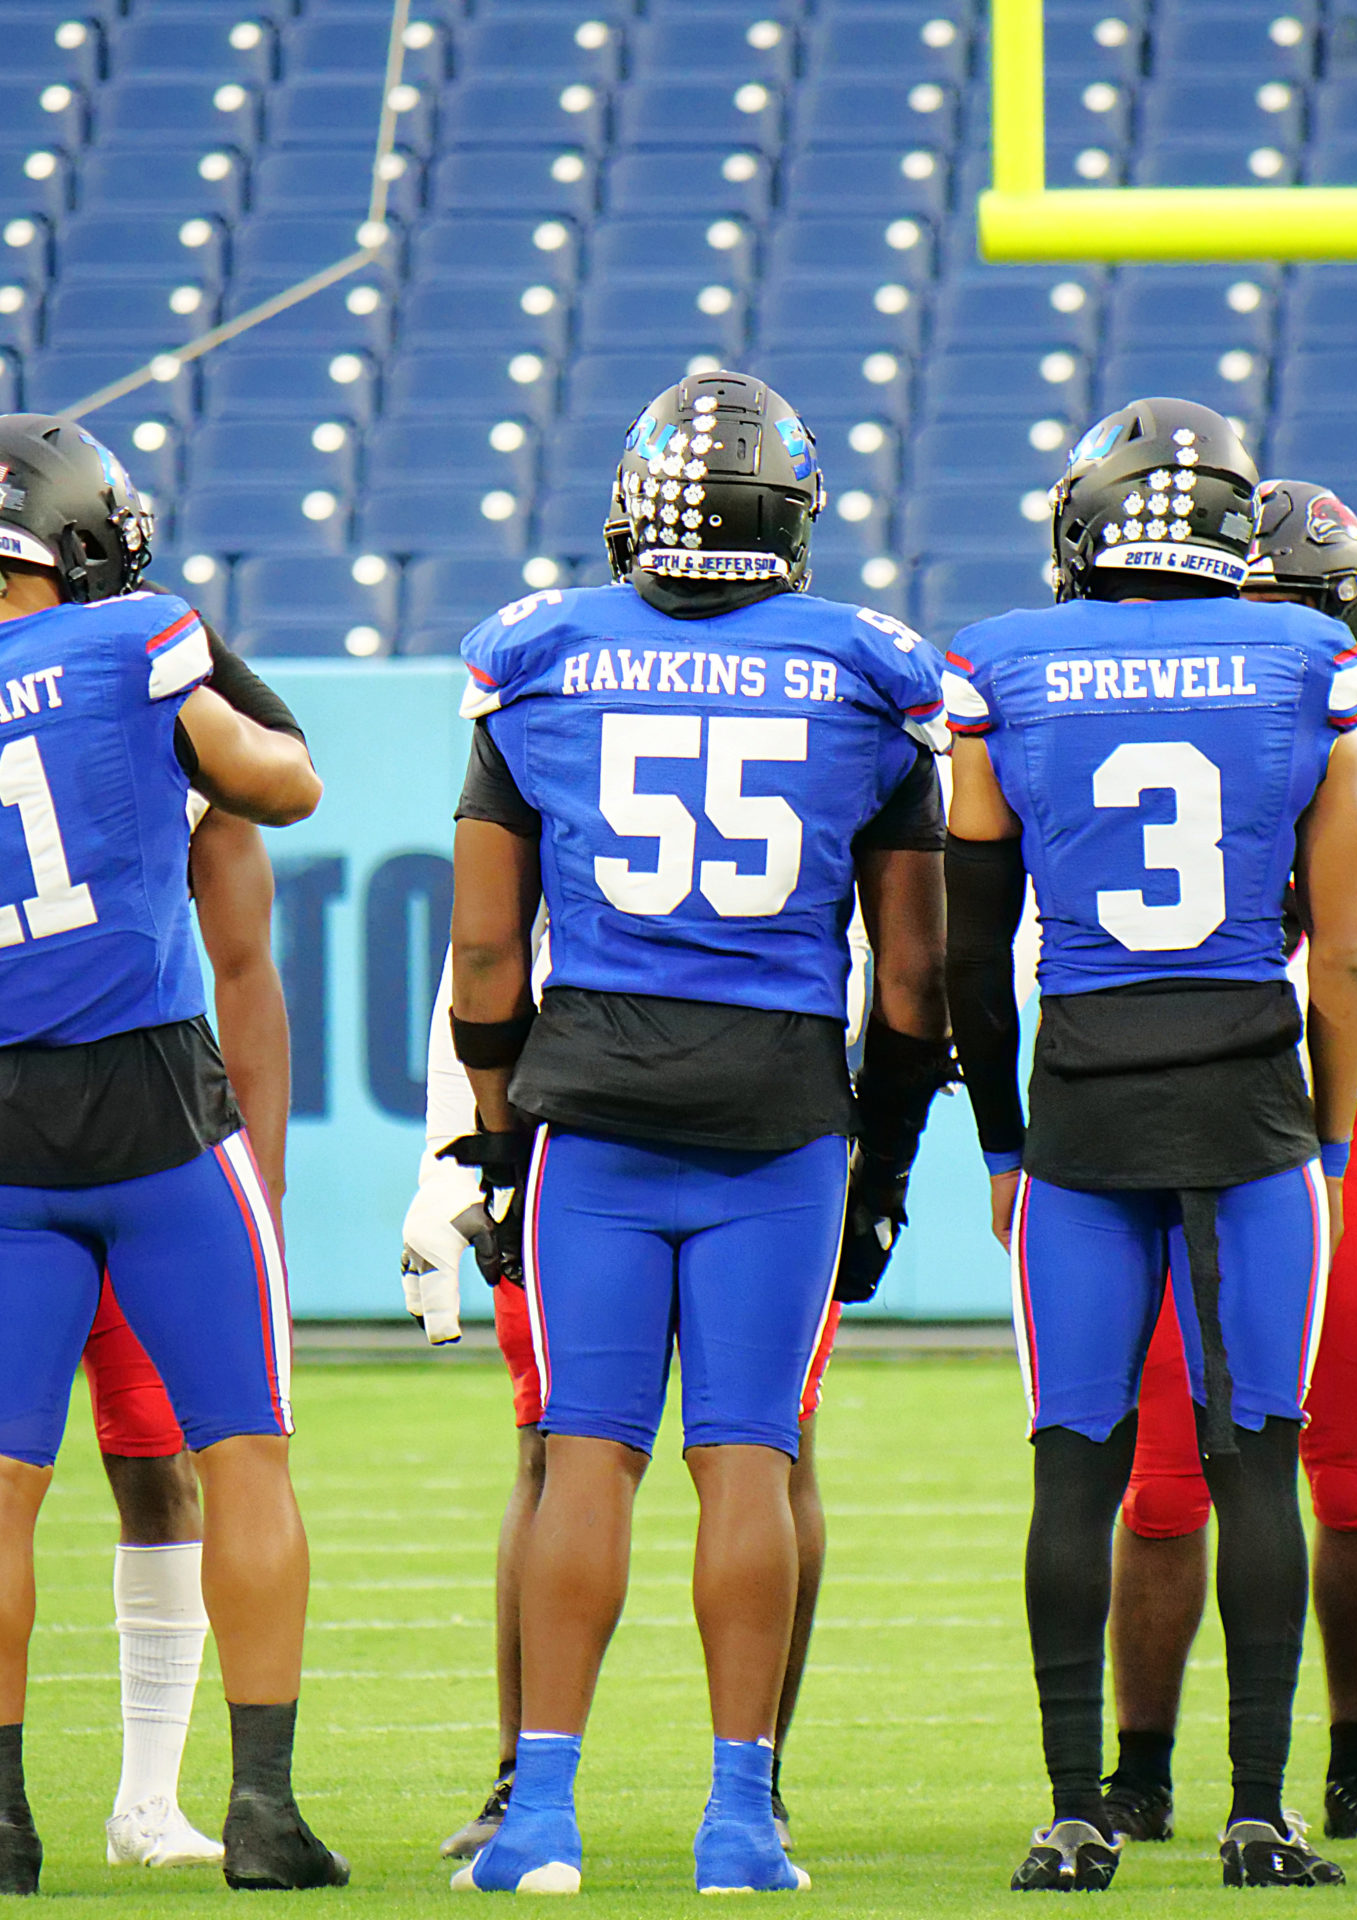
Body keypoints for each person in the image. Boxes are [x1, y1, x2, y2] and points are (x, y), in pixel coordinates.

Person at [0, 414, 343, 1895]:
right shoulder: (131, 647)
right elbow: (287, 782)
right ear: (83, 538)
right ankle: (263, 1809)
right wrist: (196, 648)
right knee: (242, 1453)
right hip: (160, 1104)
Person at [443, 371, 950, 1896]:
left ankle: (540, 1819)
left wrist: (495, 1136)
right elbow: (913, 984)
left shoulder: (541, 661)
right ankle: (739, 1823)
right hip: (780, 1114)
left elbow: (484, 958)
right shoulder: (866, 674)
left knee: (583, 1457)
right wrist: (885, 1164)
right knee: (749, 1460)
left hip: (590, 1109)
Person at [943, 400, 1357, 1892]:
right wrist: (1330, 1143)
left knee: (1077, 1470)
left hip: (1080, 1110)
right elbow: (1344, 953)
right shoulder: (1303, 657)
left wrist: (1002, 1145)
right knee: (1258, 1466)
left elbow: (968, 951)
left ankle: (1077, 1814)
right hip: (1251, 1107)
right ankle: (1260, 1815)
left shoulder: (1005, 662)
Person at [0, 650, 300, 1875]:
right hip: (156, 1134)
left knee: (11, 1470)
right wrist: (259, 1186)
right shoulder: (156, 703)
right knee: (216, 1452)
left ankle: (25, 1820)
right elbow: (285, 808)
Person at [1099, 480, 1357, 1850]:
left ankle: (1356, 1768)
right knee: (1162, 1477)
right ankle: (1139, 1770)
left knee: (1355, 1475)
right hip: (1179, 1124)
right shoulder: (1137, 724)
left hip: (1354, 1131)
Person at [407, 931, 853, 1863]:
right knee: (581, 1449)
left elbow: (484, 943)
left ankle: (744, 1780)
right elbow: (488, 945)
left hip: (611, 1126)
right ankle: (532, 1781)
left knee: (747, 1450)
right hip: (709, 1124)